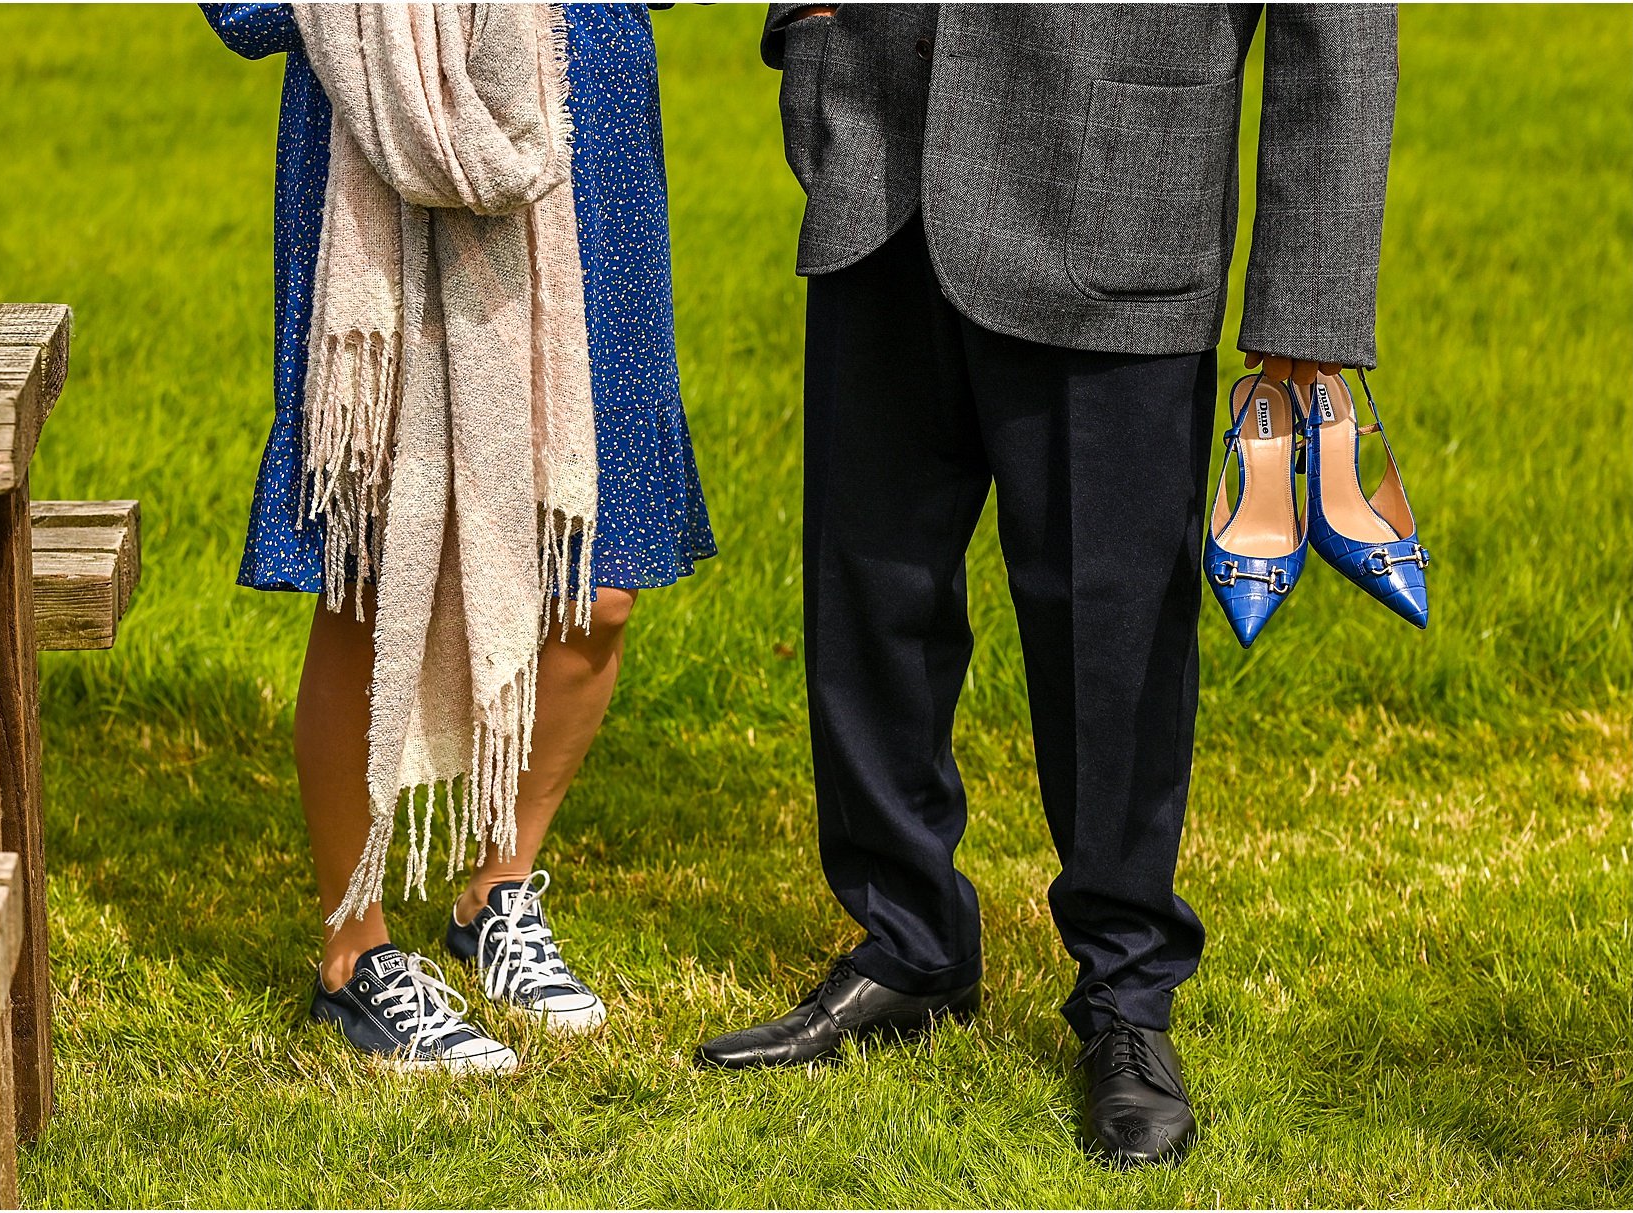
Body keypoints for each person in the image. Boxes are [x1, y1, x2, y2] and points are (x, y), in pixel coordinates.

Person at [695, 2, 1396, 1167]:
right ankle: (906, 943)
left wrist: (1304, 309)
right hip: (882, 172)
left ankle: (1126, 998)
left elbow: (1341, 27)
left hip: (1118, 199)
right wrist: (810, 39)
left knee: (1109, 630)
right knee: (868, 596)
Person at [202, 2, 715, 1074]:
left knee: (597, 574)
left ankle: (497, 888)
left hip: (585, 127)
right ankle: (355, 953)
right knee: (374, 563)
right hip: (386, 122)